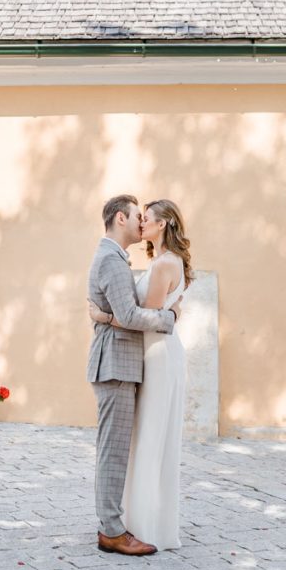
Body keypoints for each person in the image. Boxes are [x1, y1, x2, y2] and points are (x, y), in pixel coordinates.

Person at [89, 199, 193, 551]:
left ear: (163, 224)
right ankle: (115, 529)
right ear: (121, 218)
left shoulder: (150, 262)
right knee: (120, 448)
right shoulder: (112, 259)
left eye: (146, 218)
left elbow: (130, 315)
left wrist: (105, 317)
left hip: (149, 357)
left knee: (139, 442)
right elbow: (132, 316)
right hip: (122, 361)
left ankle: (128, 524)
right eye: (138, 216)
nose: (140, 223)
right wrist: (171, 317)